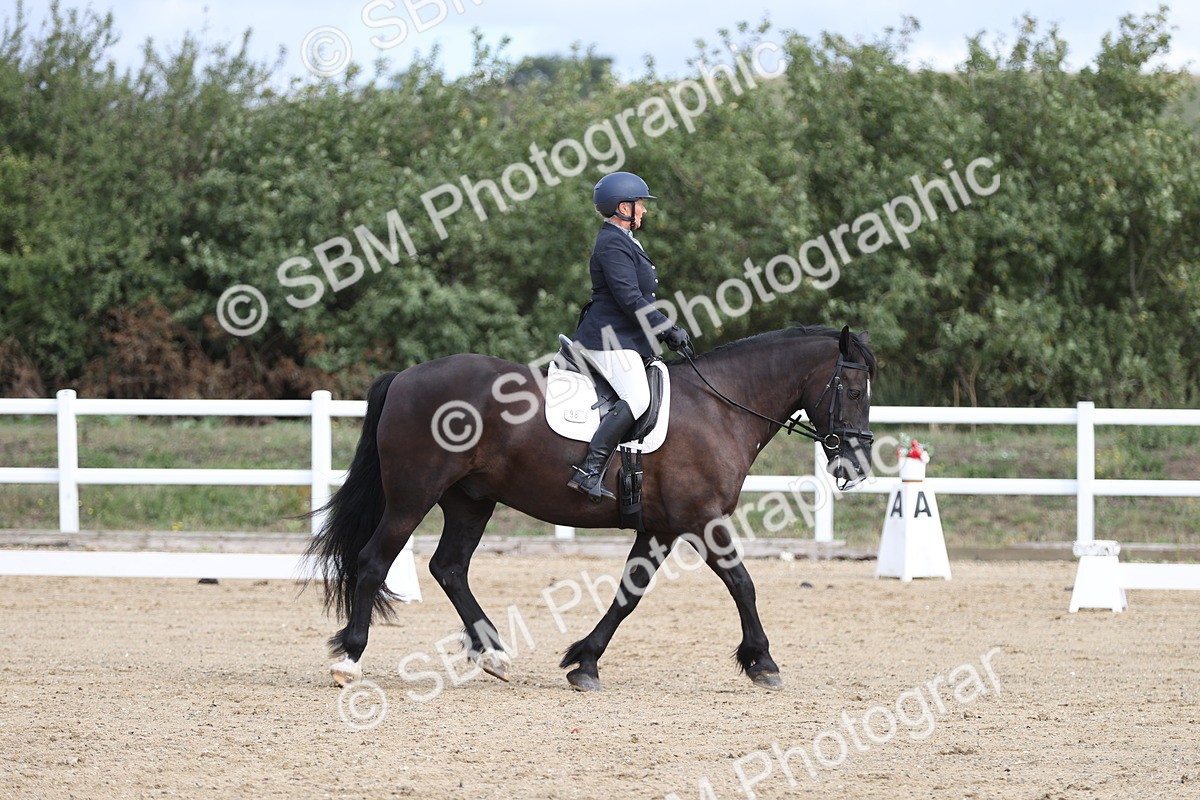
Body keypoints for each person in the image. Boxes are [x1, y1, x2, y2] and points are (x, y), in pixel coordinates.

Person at [567, 171, 693, 502]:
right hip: (607, 339)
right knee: (638, 398)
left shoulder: (624, 240)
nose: (645, 210)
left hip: (625, 338)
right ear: (624, 207)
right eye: (640, 204)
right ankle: (589, 470)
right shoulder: (612, 243)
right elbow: (629, 298)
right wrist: (666, 328)